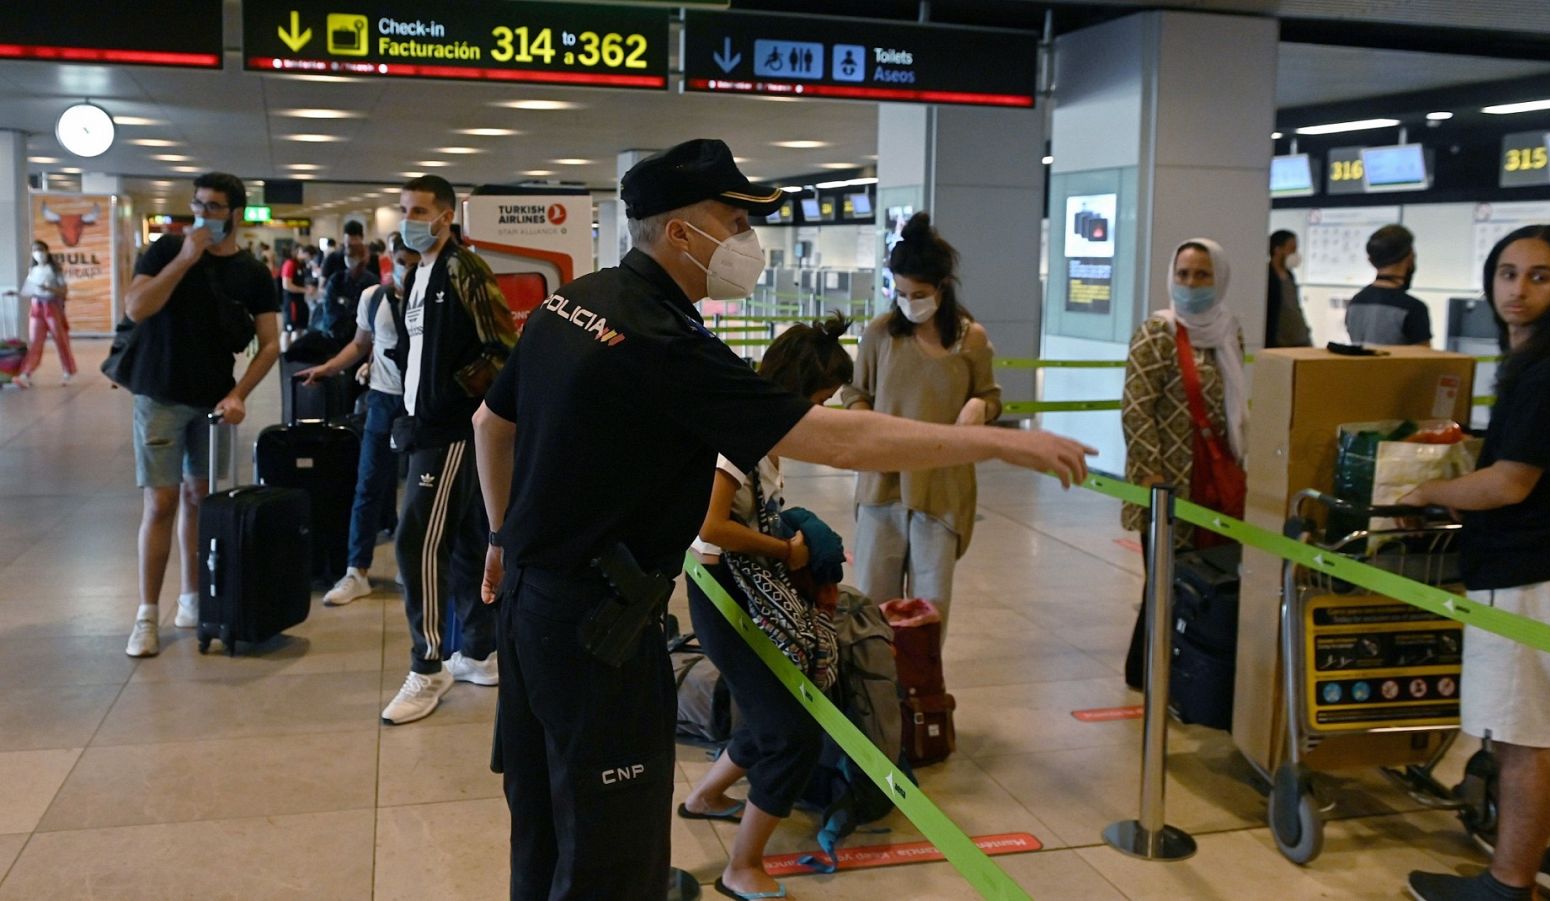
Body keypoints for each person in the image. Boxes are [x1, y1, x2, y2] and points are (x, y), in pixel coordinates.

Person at [472, 137, 1094, 900]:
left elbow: (488, 425)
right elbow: (838, 437)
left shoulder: (576, 300)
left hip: (533, 613)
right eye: (732, 219)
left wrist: (503, 538)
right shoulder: (665, 341)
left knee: (540, 828)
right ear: (678, 231)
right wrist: (993, 442)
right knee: (609, 855)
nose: (745, 241)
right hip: (598, 631)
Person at [1401, 225, 1550, 901]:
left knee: (1520, 738)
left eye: (1539, 276)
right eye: (1507, 272)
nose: (1518, 289)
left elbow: (1509, 484)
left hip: (1524, 575)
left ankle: (1507, 884)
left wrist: (1427, 490)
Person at [680, 315, 855, 899]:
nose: (823, 411)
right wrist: (787, 549)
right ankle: (741, 867)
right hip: (724, 596)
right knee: (792, 735)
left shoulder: (765, 432)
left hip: (740, 590)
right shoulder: (741, 434)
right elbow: (710, 525)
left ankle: (705, 796)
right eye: (822, 399)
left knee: (772, 709)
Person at [120, 171, 280, 657]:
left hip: (212, 400)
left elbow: (271, 343)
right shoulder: (167, 251)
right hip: (160, 394)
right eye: (198, 206)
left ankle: (193, 597)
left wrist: (240, 394)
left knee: (201, 498)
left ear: (235, 213)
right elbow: (135, 308)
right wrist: (185, 259)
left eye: (214, 207)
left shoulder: (251, 272)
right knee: (161, 502)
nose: (203, 216)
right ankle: (148, 613)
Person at [381, 174, 517, 725]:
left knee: (416, 542)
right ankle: (480, 652)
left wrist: (455, 391)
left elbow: (503, 348)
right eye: (404, 209)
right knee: (461, 542)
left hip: (451, 431)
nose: (411, 219)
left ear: (446, 214)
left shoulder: (465, 269)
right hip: (423, 425)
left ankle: (428, 663)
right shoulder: (417, 273)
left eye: (419, 210)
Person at [839, 212, 999, 644]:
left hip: (941, 489)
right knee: (873, 604)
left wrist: (979, 405)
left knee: (931, 610)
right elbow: (855, 391)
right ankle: (875, 694)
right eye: (902, 292)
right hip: (882, 487)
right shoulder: (880, 334)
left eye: (920, 293)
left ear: (943, 287)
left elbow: (991, 395)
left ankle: (922, 690)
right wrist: (861, 418)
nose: (910, 302)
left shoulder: (971, 339)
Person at [1119, 238, 1247, 689]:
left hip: (1215, 479)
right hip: (1168, 484)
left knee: (1202, 582)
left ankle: (1179, 672)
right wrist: (1154, 481)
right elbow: (1136, 409)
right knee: (1165, 583)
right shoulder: (1157, 332)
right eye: (1184, 274)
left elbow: (1238, 405)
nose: (1191, 284)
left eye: (1202, 275)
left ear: (1221, 278)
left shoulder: (1228, 332)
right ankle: (1147, 674)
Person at [299, 235, 417, 607]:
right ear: (390, 261)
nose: (407, 268)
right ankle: (356, 571)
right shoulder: (374, 298)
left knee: (419, 490)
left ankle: (412, 564)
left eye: (414, 262)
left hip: (423, 402)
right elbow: (360, 343)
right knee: (368, 484)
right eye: (401, 260)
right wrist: (329, 368)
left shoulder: (435, 300)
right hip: (383, 399)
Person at [1346, 224, 1431, 346]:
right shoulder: (1413, 308)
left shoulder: (1356, 301)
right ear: (1410, 257)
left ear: (1372, 261)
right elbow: (1425, 359)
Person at [15, 239, 75, 387]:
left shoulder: (54, 270)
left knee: (60, 339)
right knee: (35, 341)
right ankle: (25, 373)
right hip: (36, 307)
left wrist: (49, 289)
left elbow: (64, 291)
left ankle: (68, 370)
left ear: (47, 251)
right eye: (35, 250)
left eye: (41, 250)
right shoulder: (33, 271)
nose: (38, 253)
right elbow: (28, 289)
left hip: (52, 305)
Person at [317, 237, 380, 344]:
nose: (350, 258)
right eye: (348, 255)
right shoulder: (337, 279)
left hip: (362, 336)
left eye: (353, 255)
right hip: (336, 334)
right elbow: (329, 308)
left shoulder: (371, 281)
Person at [1266, 229, 1312, 347]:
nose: (1295, 254)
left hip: (1300, 340)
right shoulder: (1267, 277)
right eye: (1292, 249)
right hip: (1279, 343)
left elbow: (1295, 306)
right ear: (1277, 249)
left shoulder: (1290, 276)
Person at [280, 243, 312, 333]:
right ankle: (286, 347)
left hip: (300, 301)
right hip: (291, 302)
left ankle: (296, 346)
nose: (305, 254)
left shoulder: (301, 265)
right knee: (289, 330)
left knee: (299, 329)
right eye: (303, 252)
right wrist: (304, 290)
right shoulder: (290, 264)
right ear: (296, 252)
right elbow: (286, 285)